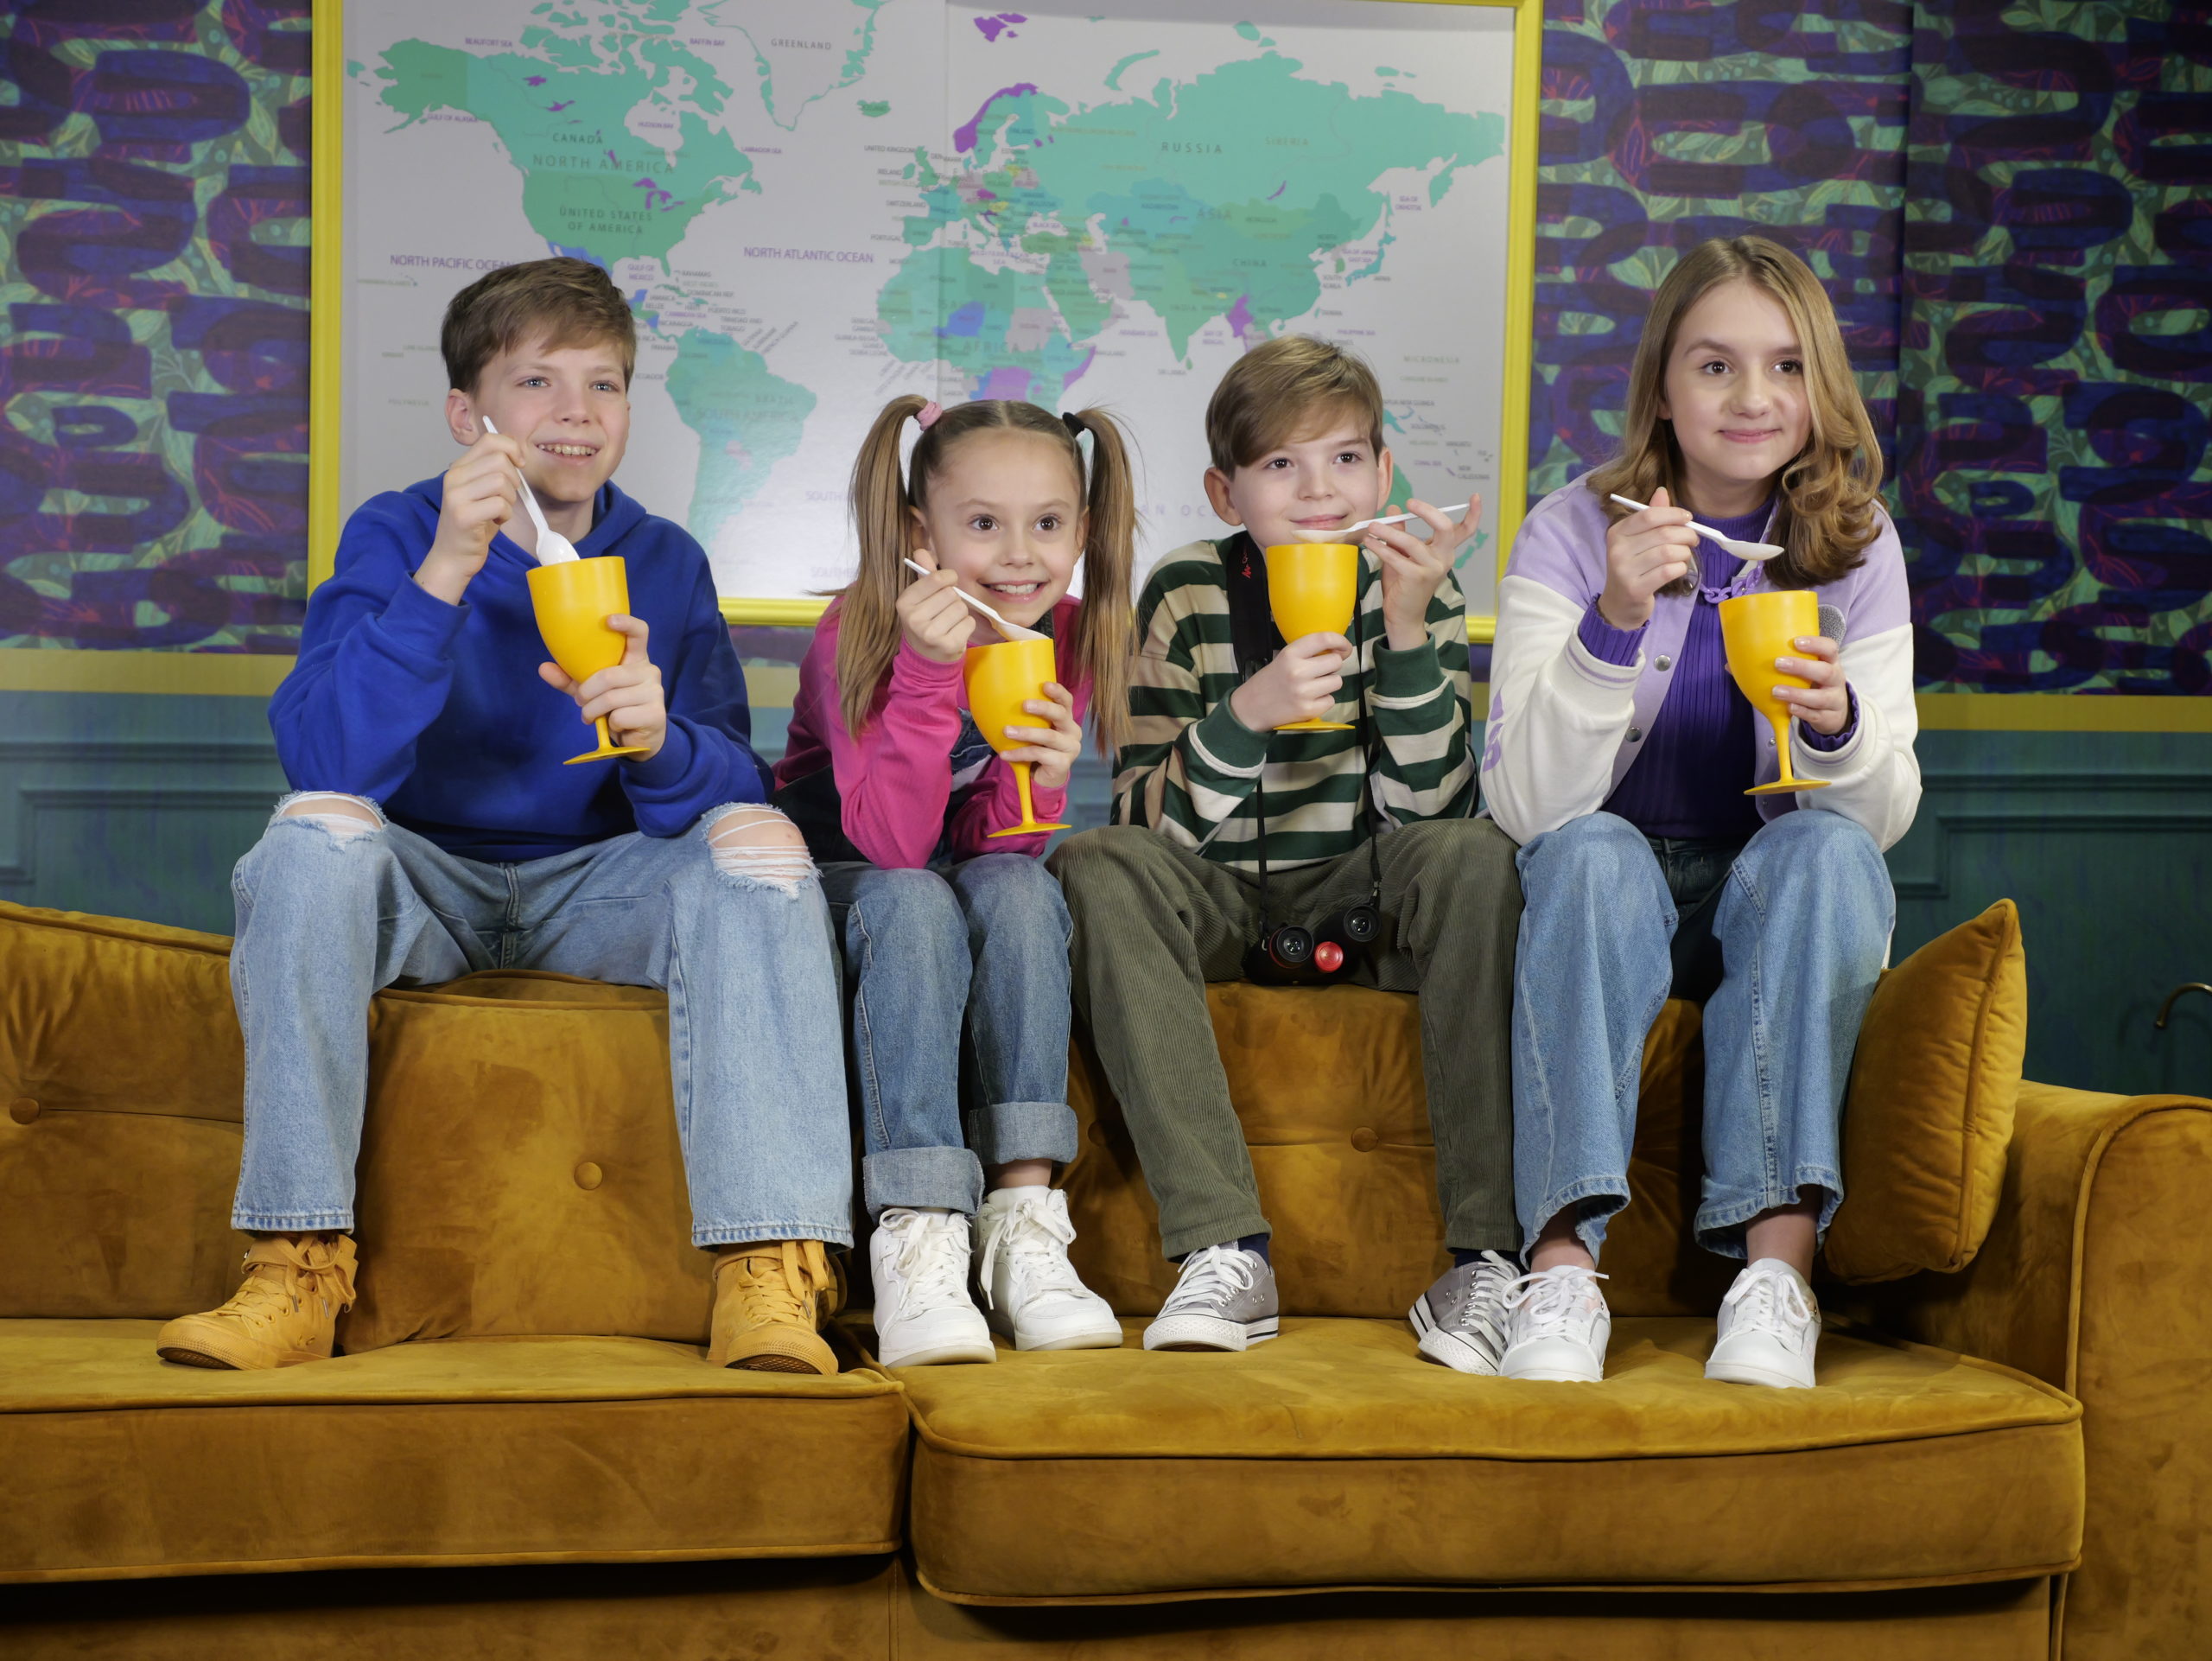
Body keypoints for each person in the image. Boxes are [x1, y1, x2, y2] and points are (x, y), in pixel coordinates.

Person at [155, 258, 854, 1376]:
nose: (576, 410)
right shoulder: (396, 533)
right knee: (313, 831)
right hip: (425, 879)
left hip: (601, 889)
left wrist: (660, 740)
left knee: (765, 847)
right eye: (537, 381)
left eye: (604, 383)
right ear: (466, 415)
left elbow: (736, 781)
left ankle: (769, 1270)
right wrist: (444, 568)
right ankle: (295, 1266)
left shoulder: (666, 561)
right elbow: (326, 757)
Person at [1483, 234, 1918, 1390]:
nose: (1751, 397)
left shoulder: (1858, 544)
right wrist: (1613, 618)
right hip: (1606, 886)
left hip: (1770, 895)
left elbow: (1881, 818)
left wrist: (1839, 725)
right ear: (1664, 389)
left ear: (1819, 388)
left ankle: (1775, 1280)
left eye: (1786, 366)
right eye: (1715, 365)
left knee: (1826, 850)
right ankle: (1561, 1271)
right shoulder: (1571, 530)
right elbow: (1525, 804)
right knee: (1587, 850)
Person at [1049, 334, 1525, 1370]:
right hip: (1221, 892)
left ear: (1382, 474)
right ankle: (1223, 1247)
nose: (1318, 490)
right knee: (1095, 861)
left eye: (1345, 458)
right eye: (1280, 464)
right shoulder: (1183, 592)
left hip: (1365, 884)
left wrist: (1407, 637)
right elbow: (1144, 821)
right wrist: (1247, 714)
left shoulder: (1419, 586)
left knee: (1476, 854)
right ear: (1227, 492)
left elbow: (1433, 813)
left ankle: (1487, 1256)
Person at [773, 397, 1134, 1365]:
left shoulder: (1060, 635)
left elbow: (991, 849)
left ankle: (1023, 1221)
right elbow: (893, 846)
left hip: (941, 875)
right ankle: (920, 1228)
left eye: (1047, 523)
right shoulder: (854, 629)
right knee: (915, 897)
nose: (1019, 554)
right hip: (843, 877)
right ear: (918, 532)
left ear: (1083, 532)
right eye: (982, 523)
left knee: (1022, 890)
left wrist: (1041, 783)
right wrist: (932, 676)